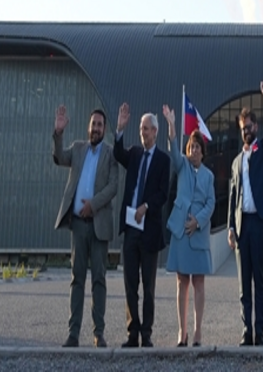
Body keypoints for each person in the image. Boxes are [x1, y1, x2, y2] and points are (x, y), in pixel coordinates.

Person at [52, 105, 118, 348]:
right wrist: (58, 134)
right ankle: (73, 334)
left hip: (98, 225)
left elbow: (113, 187)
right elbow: (60, 158)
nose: (96, 128)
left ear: (104, 129)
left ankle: (98, 333)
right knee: (76, 278)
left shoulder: (110, 154)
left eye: (100, 125)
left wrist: (93, 204)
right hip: (78, 225)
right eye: (93, 124)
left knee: (98, 279)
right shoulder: (78, 149)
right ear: (88, 127)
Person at [114, 103, 170, 348]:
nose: (143, 133)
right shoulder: (135, 154)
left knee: (148, 286)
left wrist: (146, 206)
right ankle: (132, 332)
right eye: (140, 128)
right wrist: (119, 129)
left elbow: (163, 194)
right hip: (131, 230)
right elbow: (118, 154)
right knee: (130, 285)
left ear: (155, 131)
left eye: (146, 129)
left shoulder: (162, 160)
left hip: (149, 230)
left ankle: (146, 333)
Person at [162, 105, 215, 347]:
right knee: (182, 282)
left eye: (197, 148)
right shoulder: (181, 165)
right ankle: (181, 332)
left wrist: (199, 221)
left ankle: (197, 331)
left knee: (199, 283)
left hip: (199, 233)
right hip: (182, 232)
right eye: (191, 147)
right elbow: (173, 148)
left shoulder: (209, 176)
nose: (194, 150)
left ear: (203, 152)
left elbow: (212, 203)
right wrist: (171, 124)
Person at [227, 81, 263, 346]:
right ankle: (247, 331)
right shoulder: (236, 161)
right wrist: (230, 228)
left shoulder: (261, 151)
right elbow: (233, 196)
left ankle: (261, 332)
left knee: (259, 280)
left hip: (258, 223)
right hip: (241, 225)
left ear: (254, 127)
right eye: (242, 128)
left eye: (249, 127)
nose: (246, 131)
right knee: (244, 284)